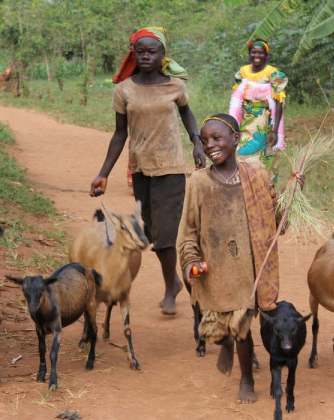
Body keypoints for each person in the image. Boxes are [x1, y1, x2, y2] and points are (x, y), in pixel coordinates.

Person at [177, 114, 303, 403]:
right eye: (204, 140)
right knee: (219, 327)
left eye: (217, 138)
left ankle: (246, 379)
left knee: (243, 324)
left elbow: (275, 221)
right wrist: (189, 261)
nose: (210, 145)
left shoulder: (256, 175)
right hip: (216, 267)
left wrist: (294, 193)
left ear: (235, 140)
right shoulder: (197, 182)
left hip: (250, 267)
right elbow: (188, 231)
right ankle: (225, 343)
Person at [90, 27, 206, 316]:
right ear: (134, 53)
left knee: (166, 235)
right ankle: (175, 282)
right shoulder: (124, 89)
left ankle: (170, 289)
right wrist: (103, 172)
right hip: (141, 170)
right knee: (153, 231)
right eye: (139, 51)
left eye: (151, 51)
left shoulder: (175, 86)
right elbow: (120, 135)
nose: (145, 55)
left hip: (171, 169)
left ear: (163, 55)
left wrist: (197, 142)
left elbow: (186, 113)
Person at [229, 38, 287, 182]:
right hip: (246, 121)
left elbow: (279, 102)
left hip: (266, 121)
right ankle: (247, 188)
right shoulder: (243, 72)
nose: (257, 56)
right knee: (242, 153)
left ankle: (267, 192)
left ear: (266, 55)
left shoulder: (273, 74)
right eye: (253, 52)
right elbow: (238, 99)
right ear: (249, 54)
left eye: (261, 53)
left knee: (268, 156)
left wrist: (274, 131)